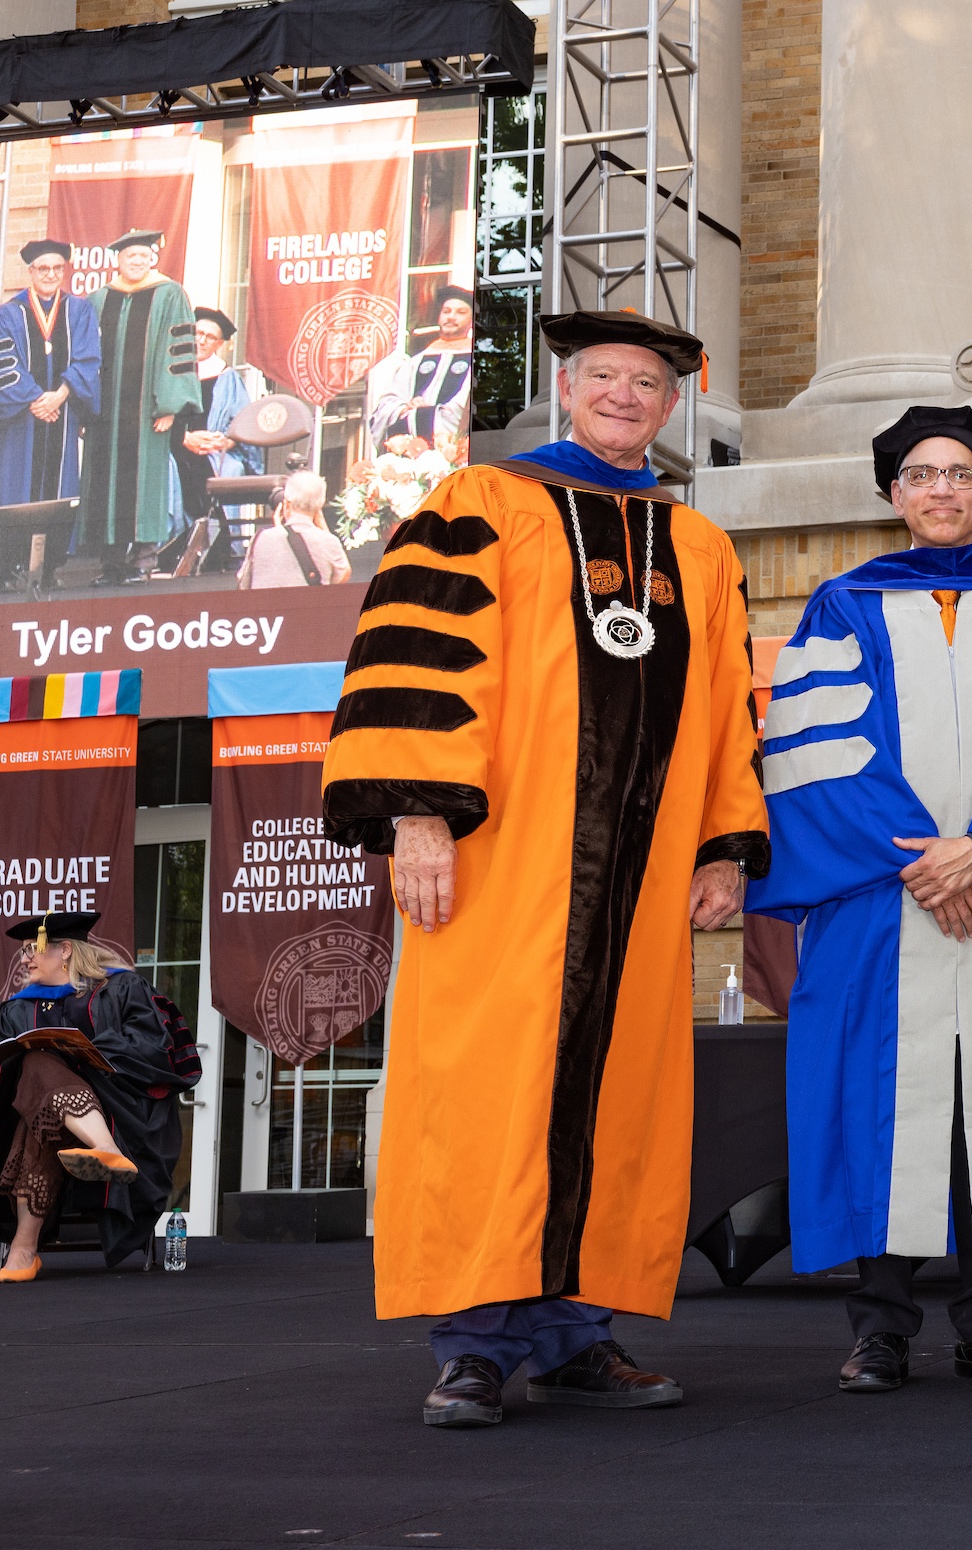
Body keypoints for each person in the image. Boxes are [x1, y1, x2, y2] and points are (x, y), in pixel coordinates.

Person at [321, 309, 770, 1429]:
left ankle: (577, 1332)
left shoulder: (699, 545)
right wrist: (418, 815)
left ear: (672, 406)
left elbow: (728, 707)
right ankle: (473, 1342)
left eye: (648, 383)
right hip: (500, 863)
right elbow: (414, 661)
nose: (626, 395)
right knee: (486, 1087)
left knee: (620, 1096)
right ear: (569, 389)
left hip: (641, 877)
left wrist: (723, 843)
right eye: (605, 377)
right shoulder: (481, 503)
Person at [749, 404, 972, 1394]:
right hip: (879, 894)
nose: (942, 489)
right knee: (880, 1098)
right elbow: (822, 753)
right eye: (923, 474)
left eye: (962, 474)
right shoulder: (840, 605)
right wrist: (923, 860)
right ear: (894, 494)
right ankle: (882, 1328)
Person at [0, 914, 194, 1280]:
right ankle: (106, 1152)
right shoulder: (17, 1008)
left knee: (40, 1069)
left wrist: (83, 1055)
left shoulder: (121, 989)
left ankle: (24, 1248)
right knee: (37, 1073)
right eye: (21, 952)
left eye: (31, 949)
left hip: (120, 1109)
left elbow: (153, 1050)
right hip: (43, 1115)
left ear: (65, 950)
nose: (24, 959)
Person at [77, 229, 197, 585]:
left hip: (149, 412)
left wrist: (170, 407)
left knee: (146, 484)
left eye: (144, 256)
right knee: (104, 485)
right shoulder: (98, 299)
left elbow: (178, 354)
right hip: (106, 415)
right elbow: (85, 358)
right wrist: (86, 410)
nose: (138, 262)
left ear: (153, 259)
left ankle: (143, 560)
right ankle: (110, 563)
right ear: (118, 260)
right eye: (131, 256)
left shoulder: (171, 294)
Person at [0, 240, 99, 514]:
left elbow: (89, 359)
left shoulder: (80, 311)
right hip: (21, 421)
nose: (51, 274)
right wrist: (38, 399)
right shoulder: (6, 315)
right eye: (44, 268)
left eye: (58, 268)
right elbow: (0, 367)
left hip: (62, 416)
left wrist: (60, 395)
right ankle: (12, 553)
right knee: (15, 491)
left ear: (64, 271)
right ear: (31, 271)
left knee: (57, 487)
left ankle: (52, 553)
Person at [169, 307, 265, 563]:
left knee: (220, 467)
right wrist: (185, 438)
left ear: (221, 344)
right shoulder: (171, 369)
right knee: (176, 466)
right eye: (197, 332)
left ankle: (207, 545)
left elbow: (242, 423)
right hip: (172, 444)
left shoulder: (226, 376)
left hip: (213, 450)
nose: (201, 340)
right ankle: (185, 543)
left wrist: (226, 440)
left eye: (210, 337)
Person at [367, 286, 474, 465]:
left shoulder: (474, 361)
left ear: (471, 320)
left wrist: (424, 412)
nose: (451, 317)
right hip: (407, 463)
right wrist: (404, 408)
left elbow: (462, 409)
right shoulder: (415, 362)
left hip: (449, 458)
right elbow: (386, 404)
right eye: (446, 311)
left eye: (461, 312)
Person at [238, 470, 351, 588]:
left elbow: (243, 582)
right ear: (320, 506)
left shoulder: (260, 538)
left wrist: (280, 530)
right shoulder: (329, 542)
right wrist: (322, 526)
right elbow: (342, 575)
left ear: (286, 503)